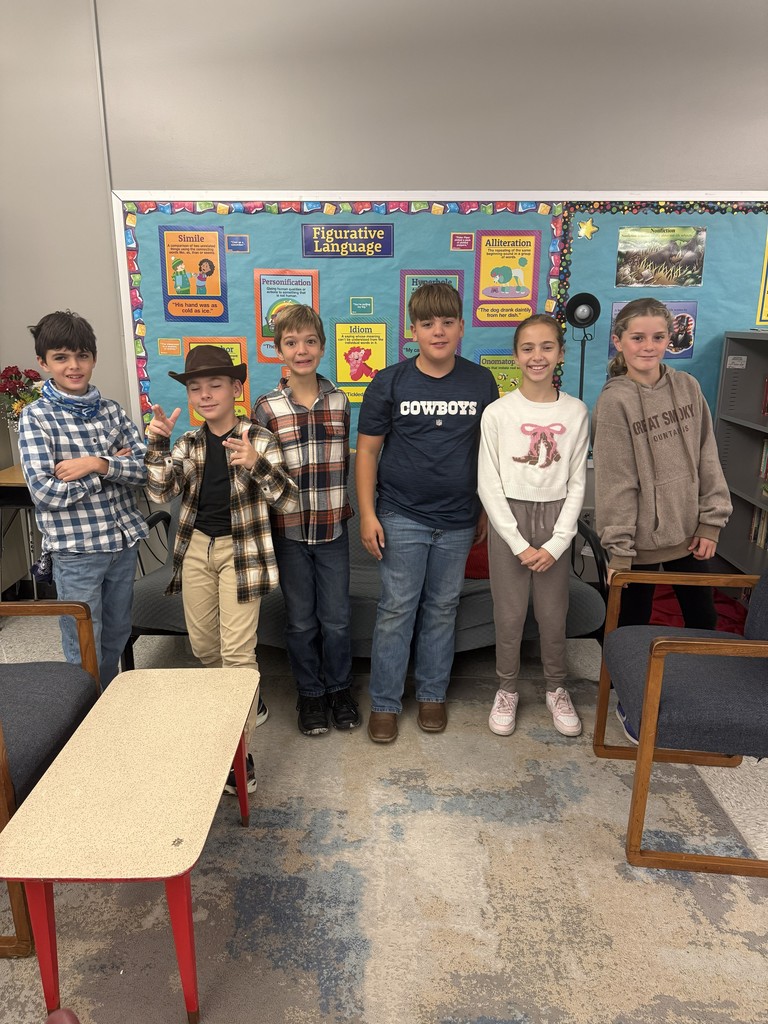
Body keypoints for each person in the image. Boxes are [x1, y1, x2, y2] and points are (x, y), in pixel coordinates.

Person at [145, 345, 298, 792]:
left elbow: (289, 500)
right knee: (204, 647)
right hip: (196, 550)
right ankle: (250, 699)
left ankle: (238, 754)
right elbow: (159, 493)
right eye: (196, 388)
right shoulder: (188, 443)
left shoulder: (259, 438)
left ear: (235, 388)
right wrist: (156, 443)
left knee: (237, 654)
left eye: (215, 385)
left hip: (241, 553)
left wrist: (256, 464)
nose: (206, 395)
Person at [357, 282, 498, 743]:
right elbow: (367, 452)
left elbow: (488, 452)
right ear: (412, 330)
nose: (438, 331)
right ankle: (385, 702)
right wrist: (367, 514)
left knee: (442, 608)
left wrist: (483, 508)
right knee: (397, 608)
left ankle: (432, 693)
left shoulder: (481, 382)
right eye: (427, 323)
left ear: (461, 327)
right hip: (401, 515)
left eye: (447, 322)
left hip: (458, 519)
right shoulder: (389, 381)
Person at [591, 297, 732, 741]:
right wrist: (619, 551)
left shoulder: (687, 387)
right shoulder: (614, 402)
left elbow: (708, 456)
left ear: (670, 340)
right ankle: (630, 702)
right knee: (632, 629)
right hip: (637, 546)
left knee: (703, 620)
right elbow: (615, 481)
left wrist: (710, 522)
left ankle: (705, 701)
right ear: (619, 342)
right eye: (637, 337)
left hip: (690, 535)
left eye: (657, 337)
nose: (648, 346)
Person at [18, 310, 149, 686]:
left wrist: (94, 464)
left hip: (122, 543)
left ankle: (105, 701)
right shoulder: (37, 417)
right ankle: (87, 709)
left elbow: (144, 470)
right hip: (78, 551)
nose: (73, 366)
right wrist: (106, 472)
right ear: (43, 362)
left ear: (93, 358)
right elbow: (45, 493)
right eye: (61, 357)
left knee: (118, 632)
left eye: (82, 356)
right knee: (84, 640)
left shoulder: (112, 412)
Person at [478, 314, 589, 738]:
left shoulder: (576, 411)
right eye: (527, 348)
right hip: (511, 520)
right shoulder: (498, 413)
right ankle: (506, 689)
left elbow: (577, 482)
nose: (537, 356)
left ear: (560, 353)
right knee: (508, 615)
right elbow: (488, 483)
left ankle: (556, 688)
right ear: (516, 355)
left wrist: (559, 542)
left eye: (546, 347)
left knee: (552, 614)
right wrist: (517, 542)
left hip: (556, 518)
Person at [252, 305, 359, 736]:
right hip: (290, 533)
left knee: (337, 620)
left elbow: (343, 465)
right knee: (301, 621)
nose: (302, 350)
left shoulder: (340, 401)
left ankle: (339, 689)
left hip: (333, 530)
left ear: (322, 347)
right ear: (279, 351)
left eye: (310, 341)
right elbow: (263, 473)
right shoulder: (266, 408)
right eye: (291, 342)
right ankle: (311, 693)